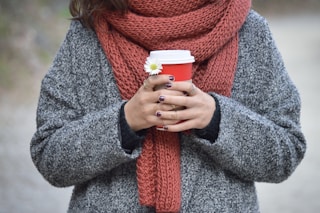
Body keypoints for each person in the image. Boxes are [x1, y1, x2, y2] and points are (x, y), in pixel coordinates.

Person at [30, 0, 306, 212]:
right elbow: (49, 156)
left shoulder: (249, 31)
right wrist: (124, 122)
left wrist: (217, 119)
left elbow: (286, 151)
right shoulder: (88, 34)